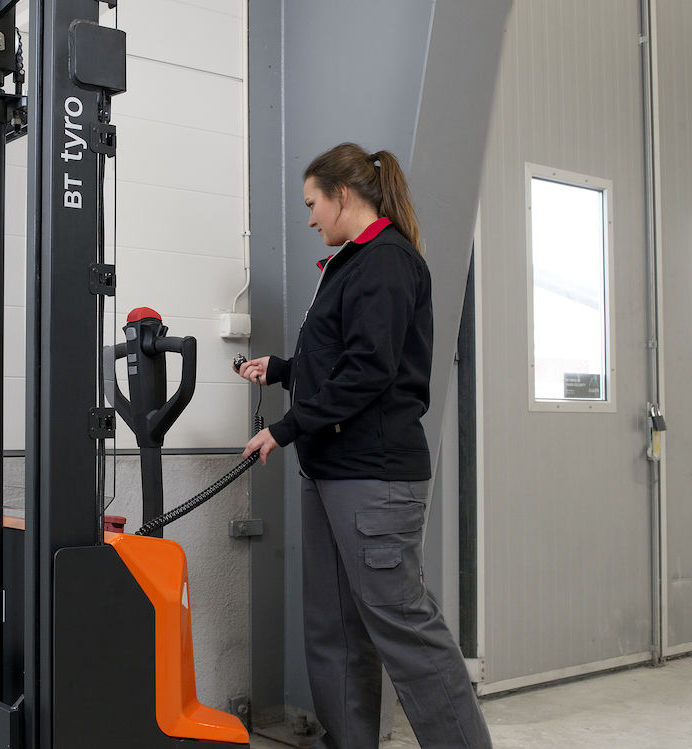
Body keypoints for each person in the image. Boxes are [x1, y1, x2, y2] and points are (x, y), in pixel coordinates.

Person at [236, 143, 492, 748]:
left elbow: (369, 371)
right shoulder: (351, 263)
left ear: (343, 194)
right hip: (331, 471)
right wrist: (283, 369)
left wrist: (284, 428)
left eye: (312, 204)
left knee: (403, 625)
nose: (309, 219)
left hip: (374, 478)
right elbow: (343, 358)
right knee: (336, 628)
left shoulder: (387, 261)